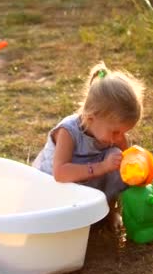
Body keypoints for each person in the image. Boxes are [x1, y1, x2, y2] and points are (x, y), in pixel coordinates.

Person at [32, 62, 145, 231]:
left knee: (116, 160)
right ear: (91, 118)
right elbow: (60, 174)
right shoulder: (68, 132)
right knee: (109, 163)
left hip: (89, 181)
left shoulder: (110, 133)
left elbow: (124, 168)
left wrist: (142, 172)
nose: (121, 138)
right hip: (58, 189)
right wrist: (101, 167)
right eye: (115, 132)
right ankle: (71, 220)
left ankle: (109, 211)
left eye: (124, 132)